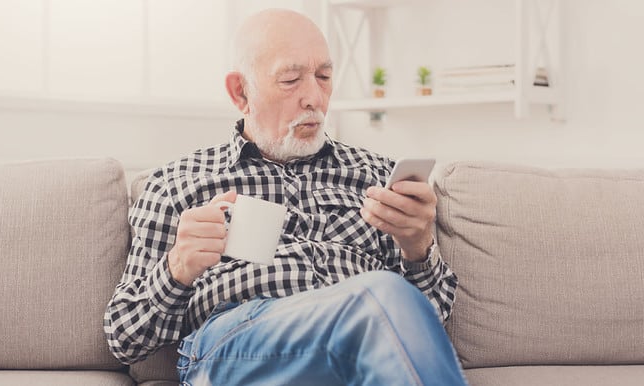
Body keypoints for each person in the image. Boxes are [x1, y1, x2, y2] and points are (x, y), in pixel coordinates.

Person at [104, 8, 467, 386]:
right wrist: (177, 268)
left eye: (324, 77)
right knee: (380, 298)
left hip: (361, 345)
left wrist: (417, 245)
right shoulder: (177, 182)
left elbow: (429, 320)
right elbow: (122, 339)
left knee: (381, 307)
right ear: (240, 92)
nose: (314, 97)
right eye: (291, 80)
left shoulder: (378, 177)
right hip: (238, 343)